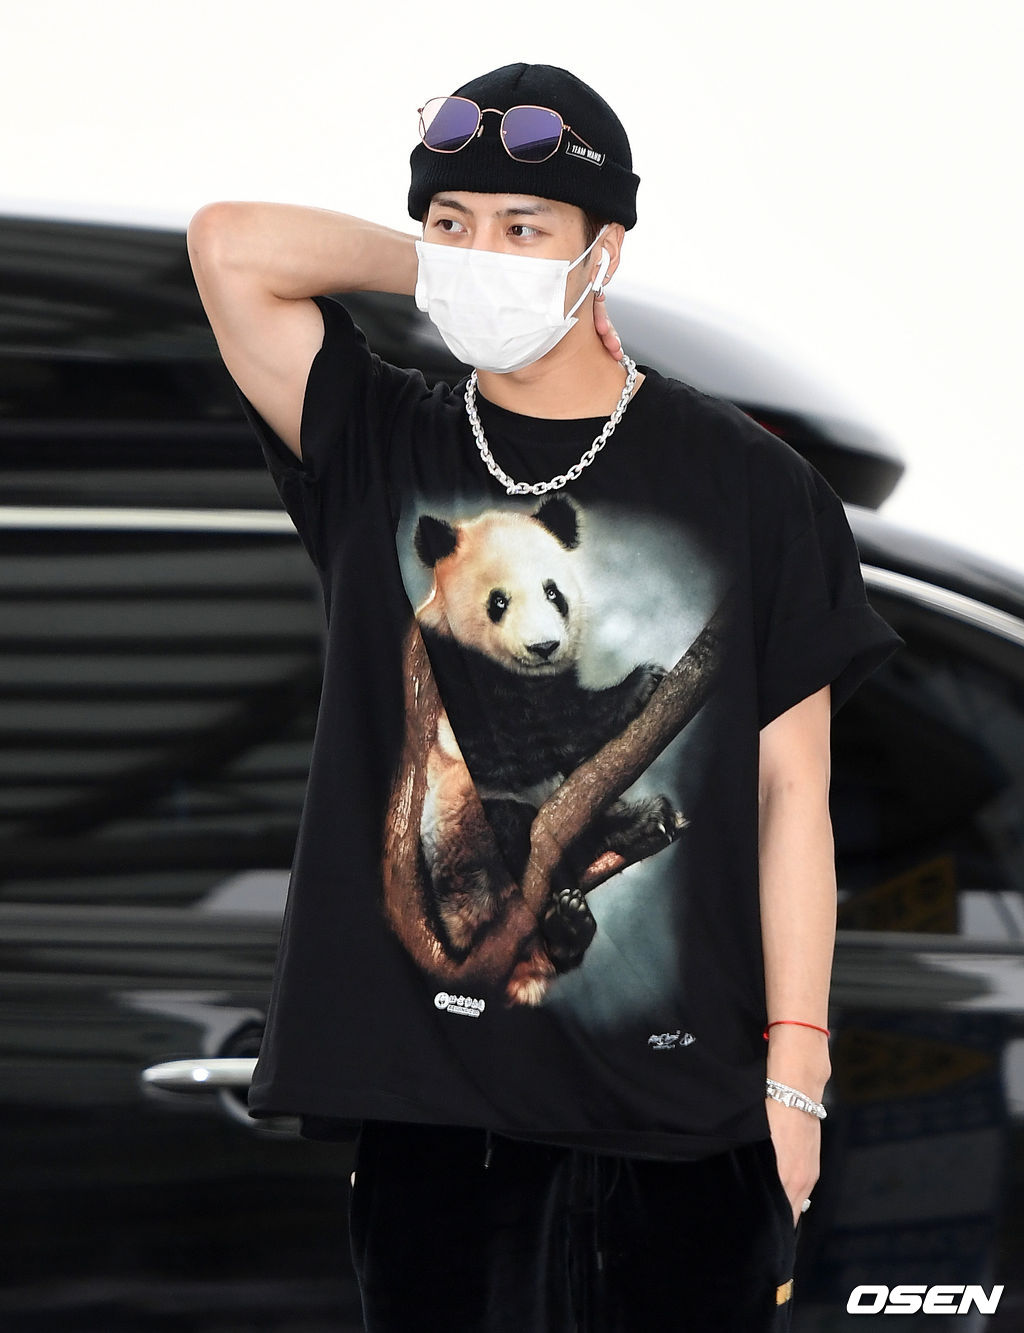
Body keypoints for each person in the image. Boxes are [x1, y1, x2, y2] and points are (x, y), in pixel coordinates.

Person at [187, 61, 905, 1332]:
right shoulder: (375, 442)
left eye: (527, 228)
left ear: (602, 251)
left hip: (683, 1129)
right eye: (450, 220)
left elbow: (791, 792)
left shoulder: (750, 484)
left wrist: (796, 1071)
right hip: (438, 1134)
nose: (483, 253)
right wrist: (449, 269)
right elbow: (229, 245)